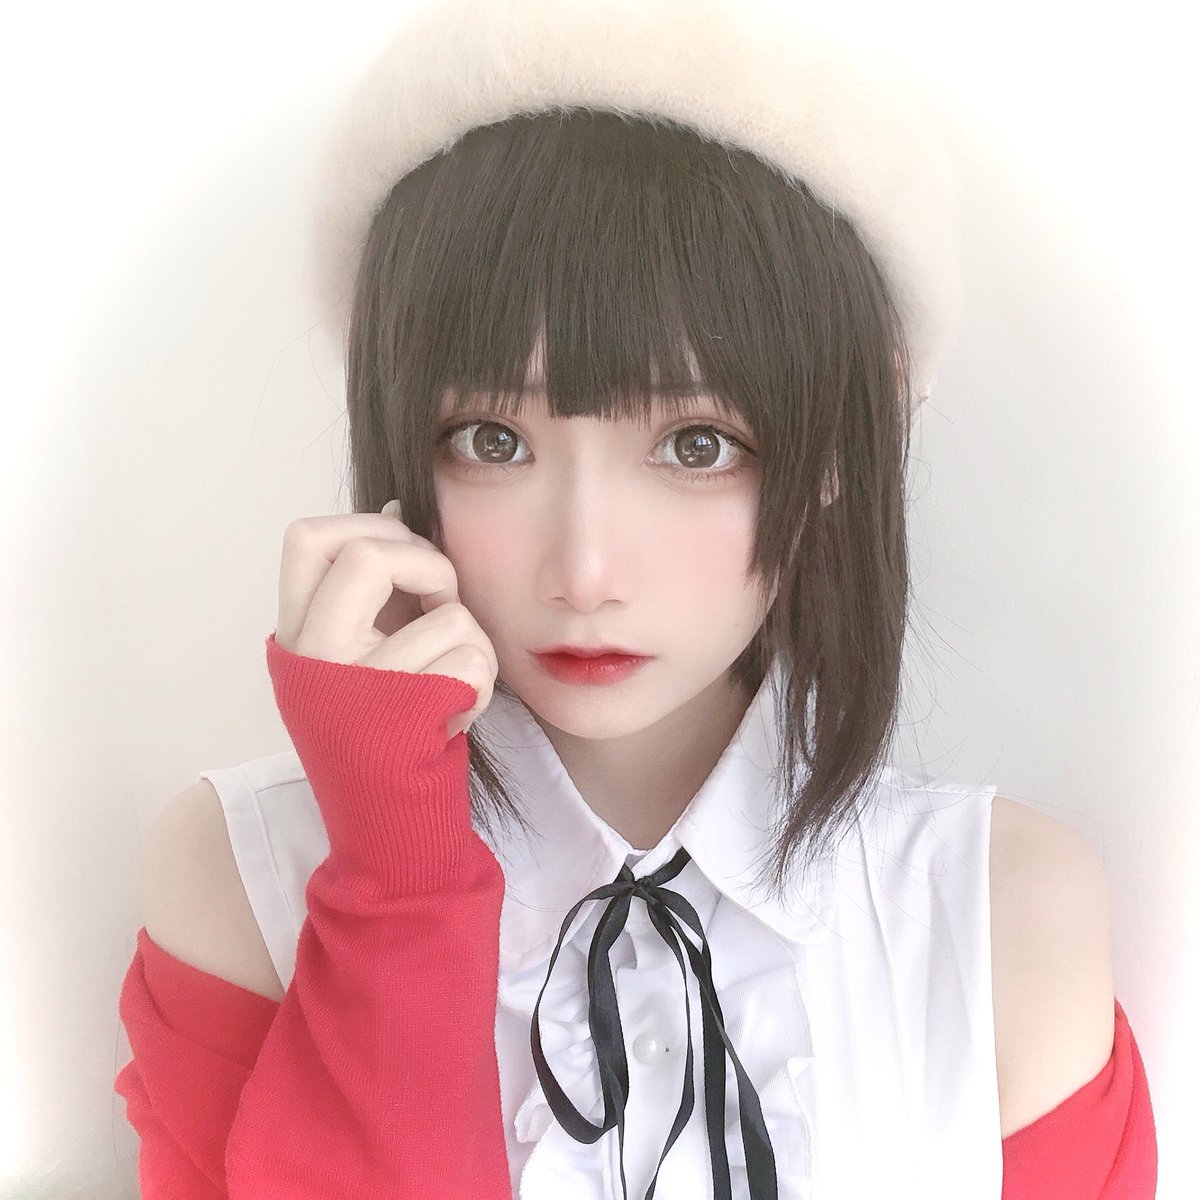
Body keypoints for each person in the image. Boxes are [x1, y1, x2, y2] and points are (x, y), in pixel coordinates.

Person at [113, 1, 1157, 1197]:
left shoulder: (1004, 914)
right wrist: (395, 886)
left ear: (837, 446)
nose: (587, 571)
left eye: (696, 446)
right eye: (493, 440)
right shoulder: (243, 874)